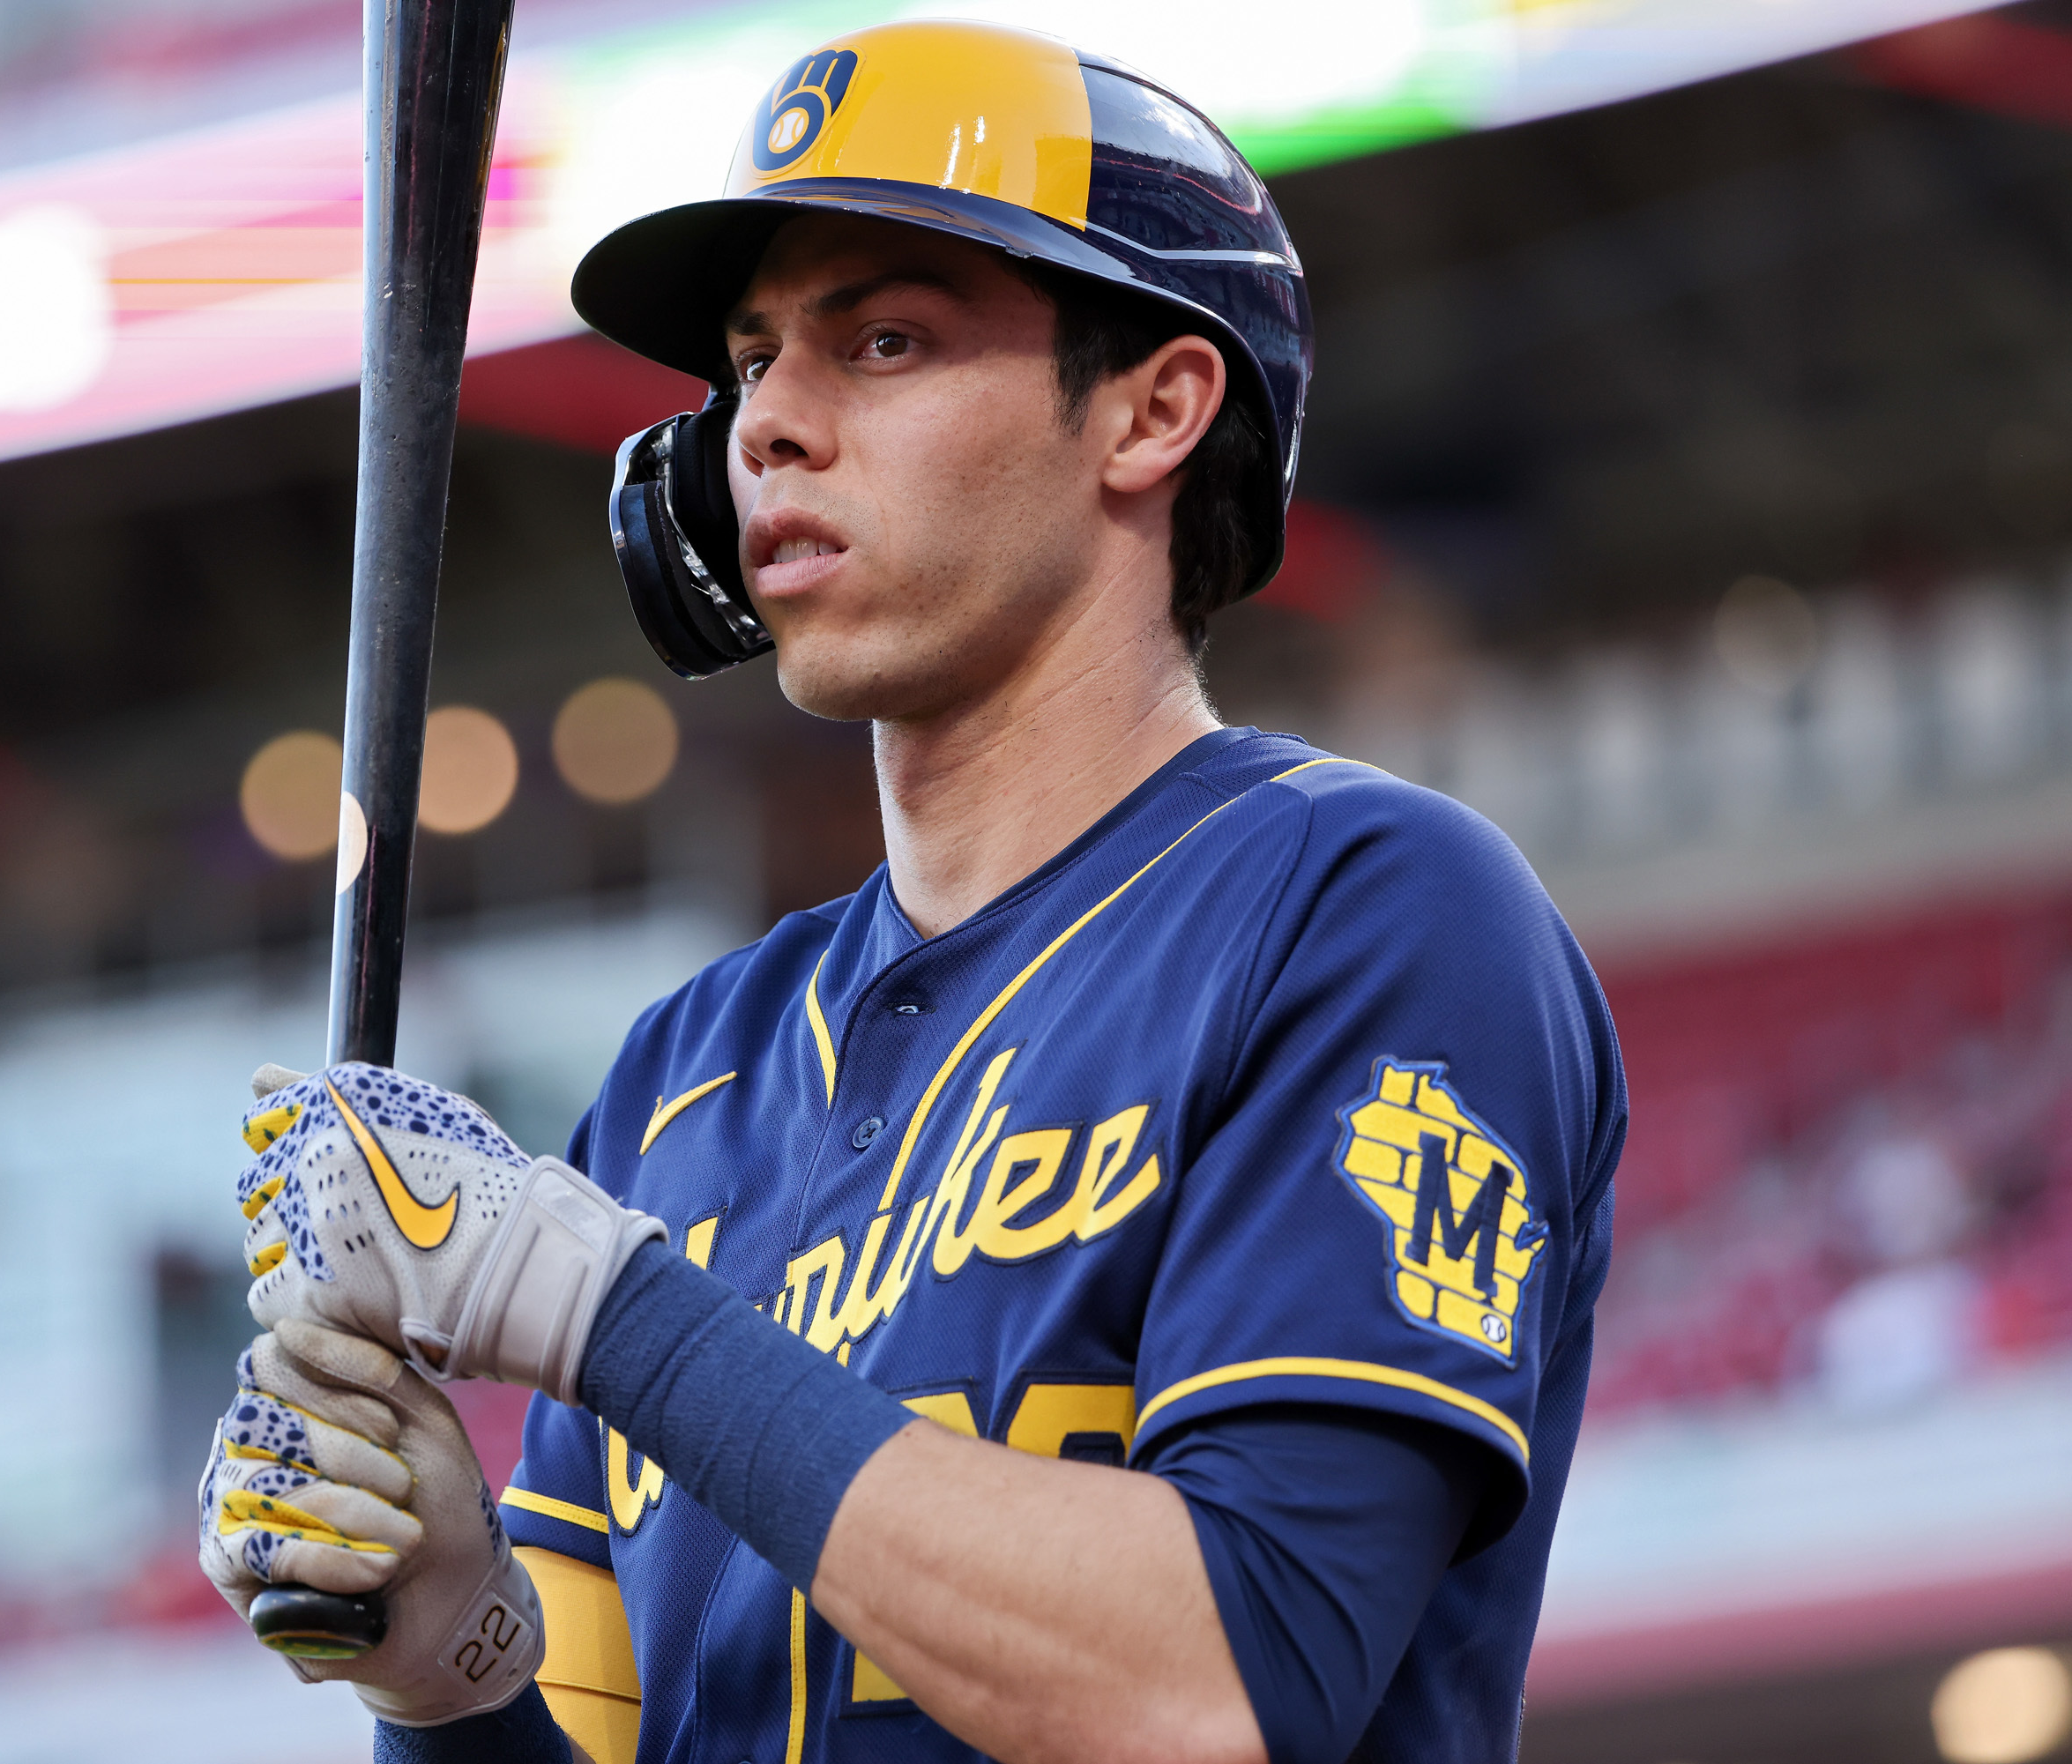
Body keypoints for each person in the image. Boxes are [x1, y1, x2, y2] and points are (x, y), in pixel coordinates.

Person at [198, 21, 1624, 1764]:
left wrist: (606, 1310)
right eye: (749, 362)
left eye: (884, 337)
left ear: (1154, 409)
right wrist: (453, 1673)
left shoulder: (1367, 905)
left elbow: (1220, 1679)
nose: (769, 425)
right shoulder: (680, 1072)